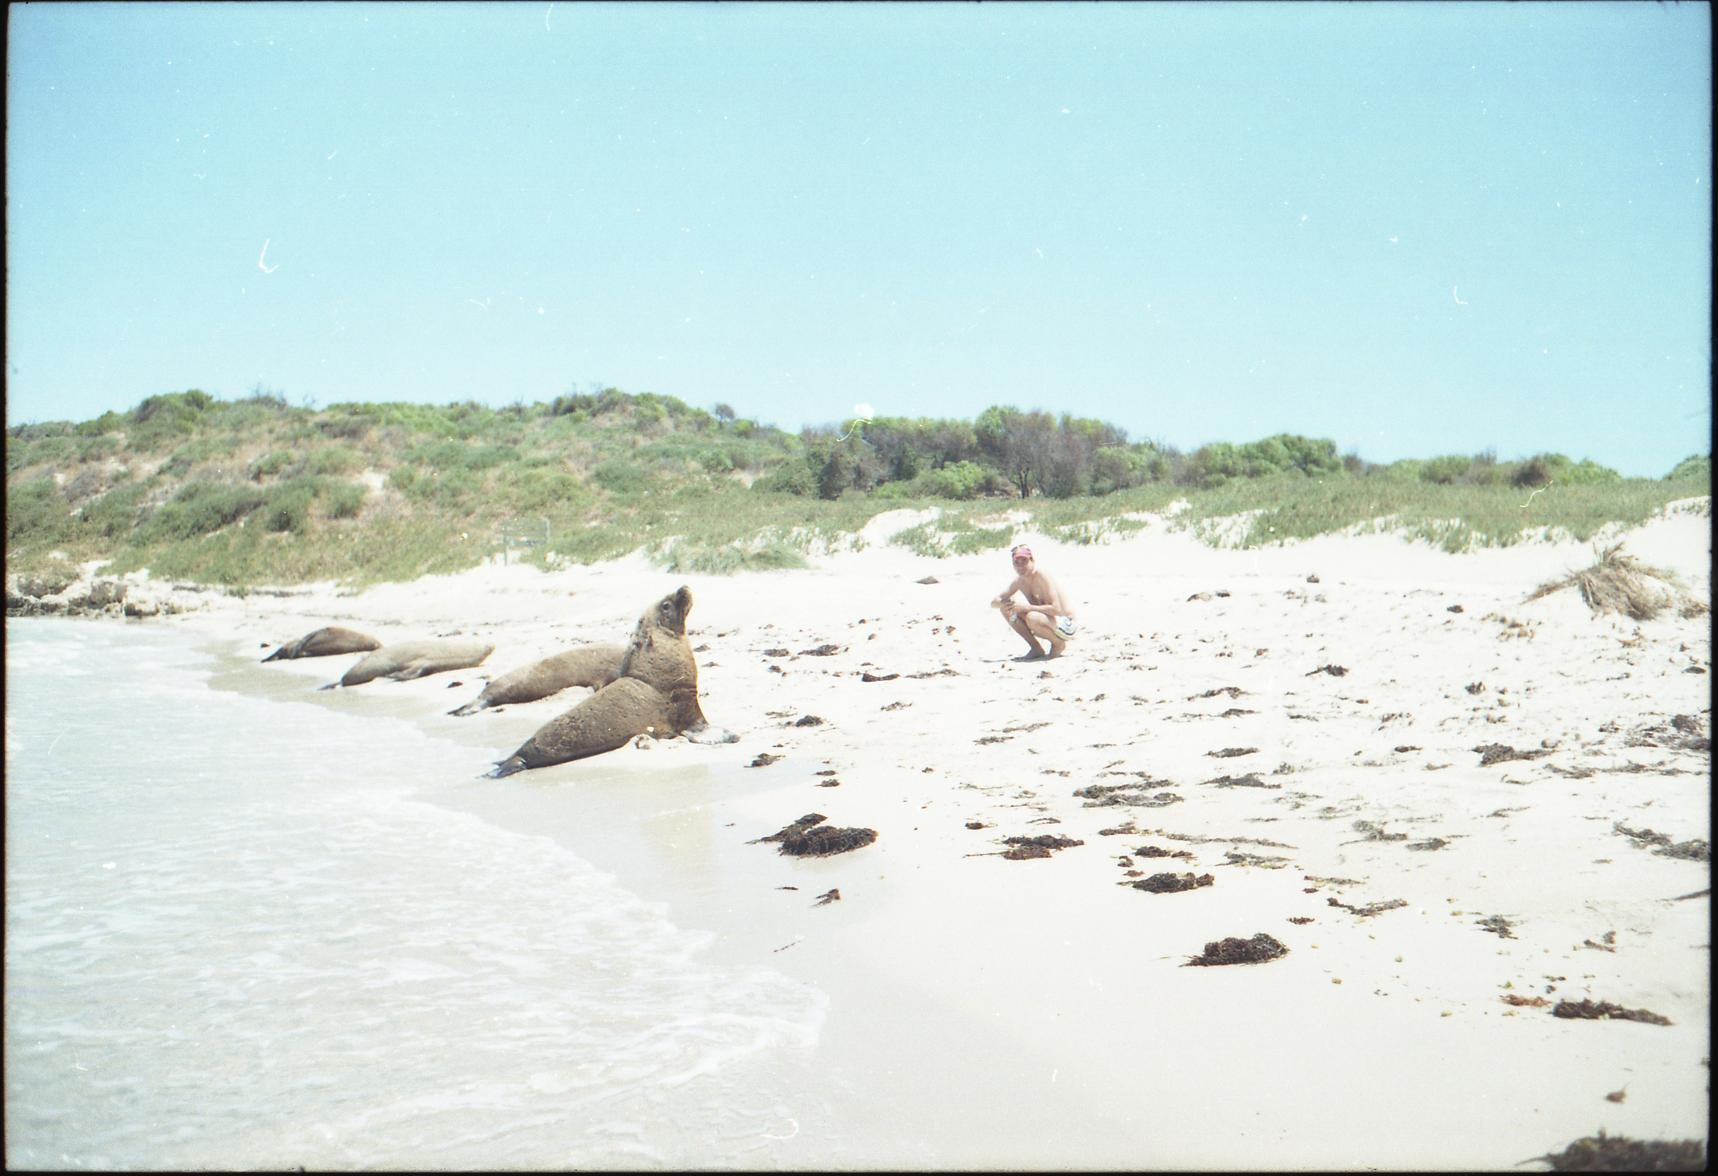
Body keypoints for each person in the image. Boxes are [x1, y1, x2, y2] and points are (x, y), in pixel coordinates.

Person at [991, 544, 1077, 660]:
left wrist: (1026, 607)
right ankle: (1036, 648)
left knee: (1032, 617)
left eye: (1024, 561)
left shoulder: (1041, 575)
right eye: (1017, 562)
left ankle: (1058, 644)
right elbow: (994, 603)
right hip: (1047, 621)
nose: (1021, 566)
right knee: (1006, 609)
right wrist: (1007, 603)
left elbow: (1056, 609)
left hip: (1066, 624)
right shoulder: (1019, 581)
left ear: (1032, 560)